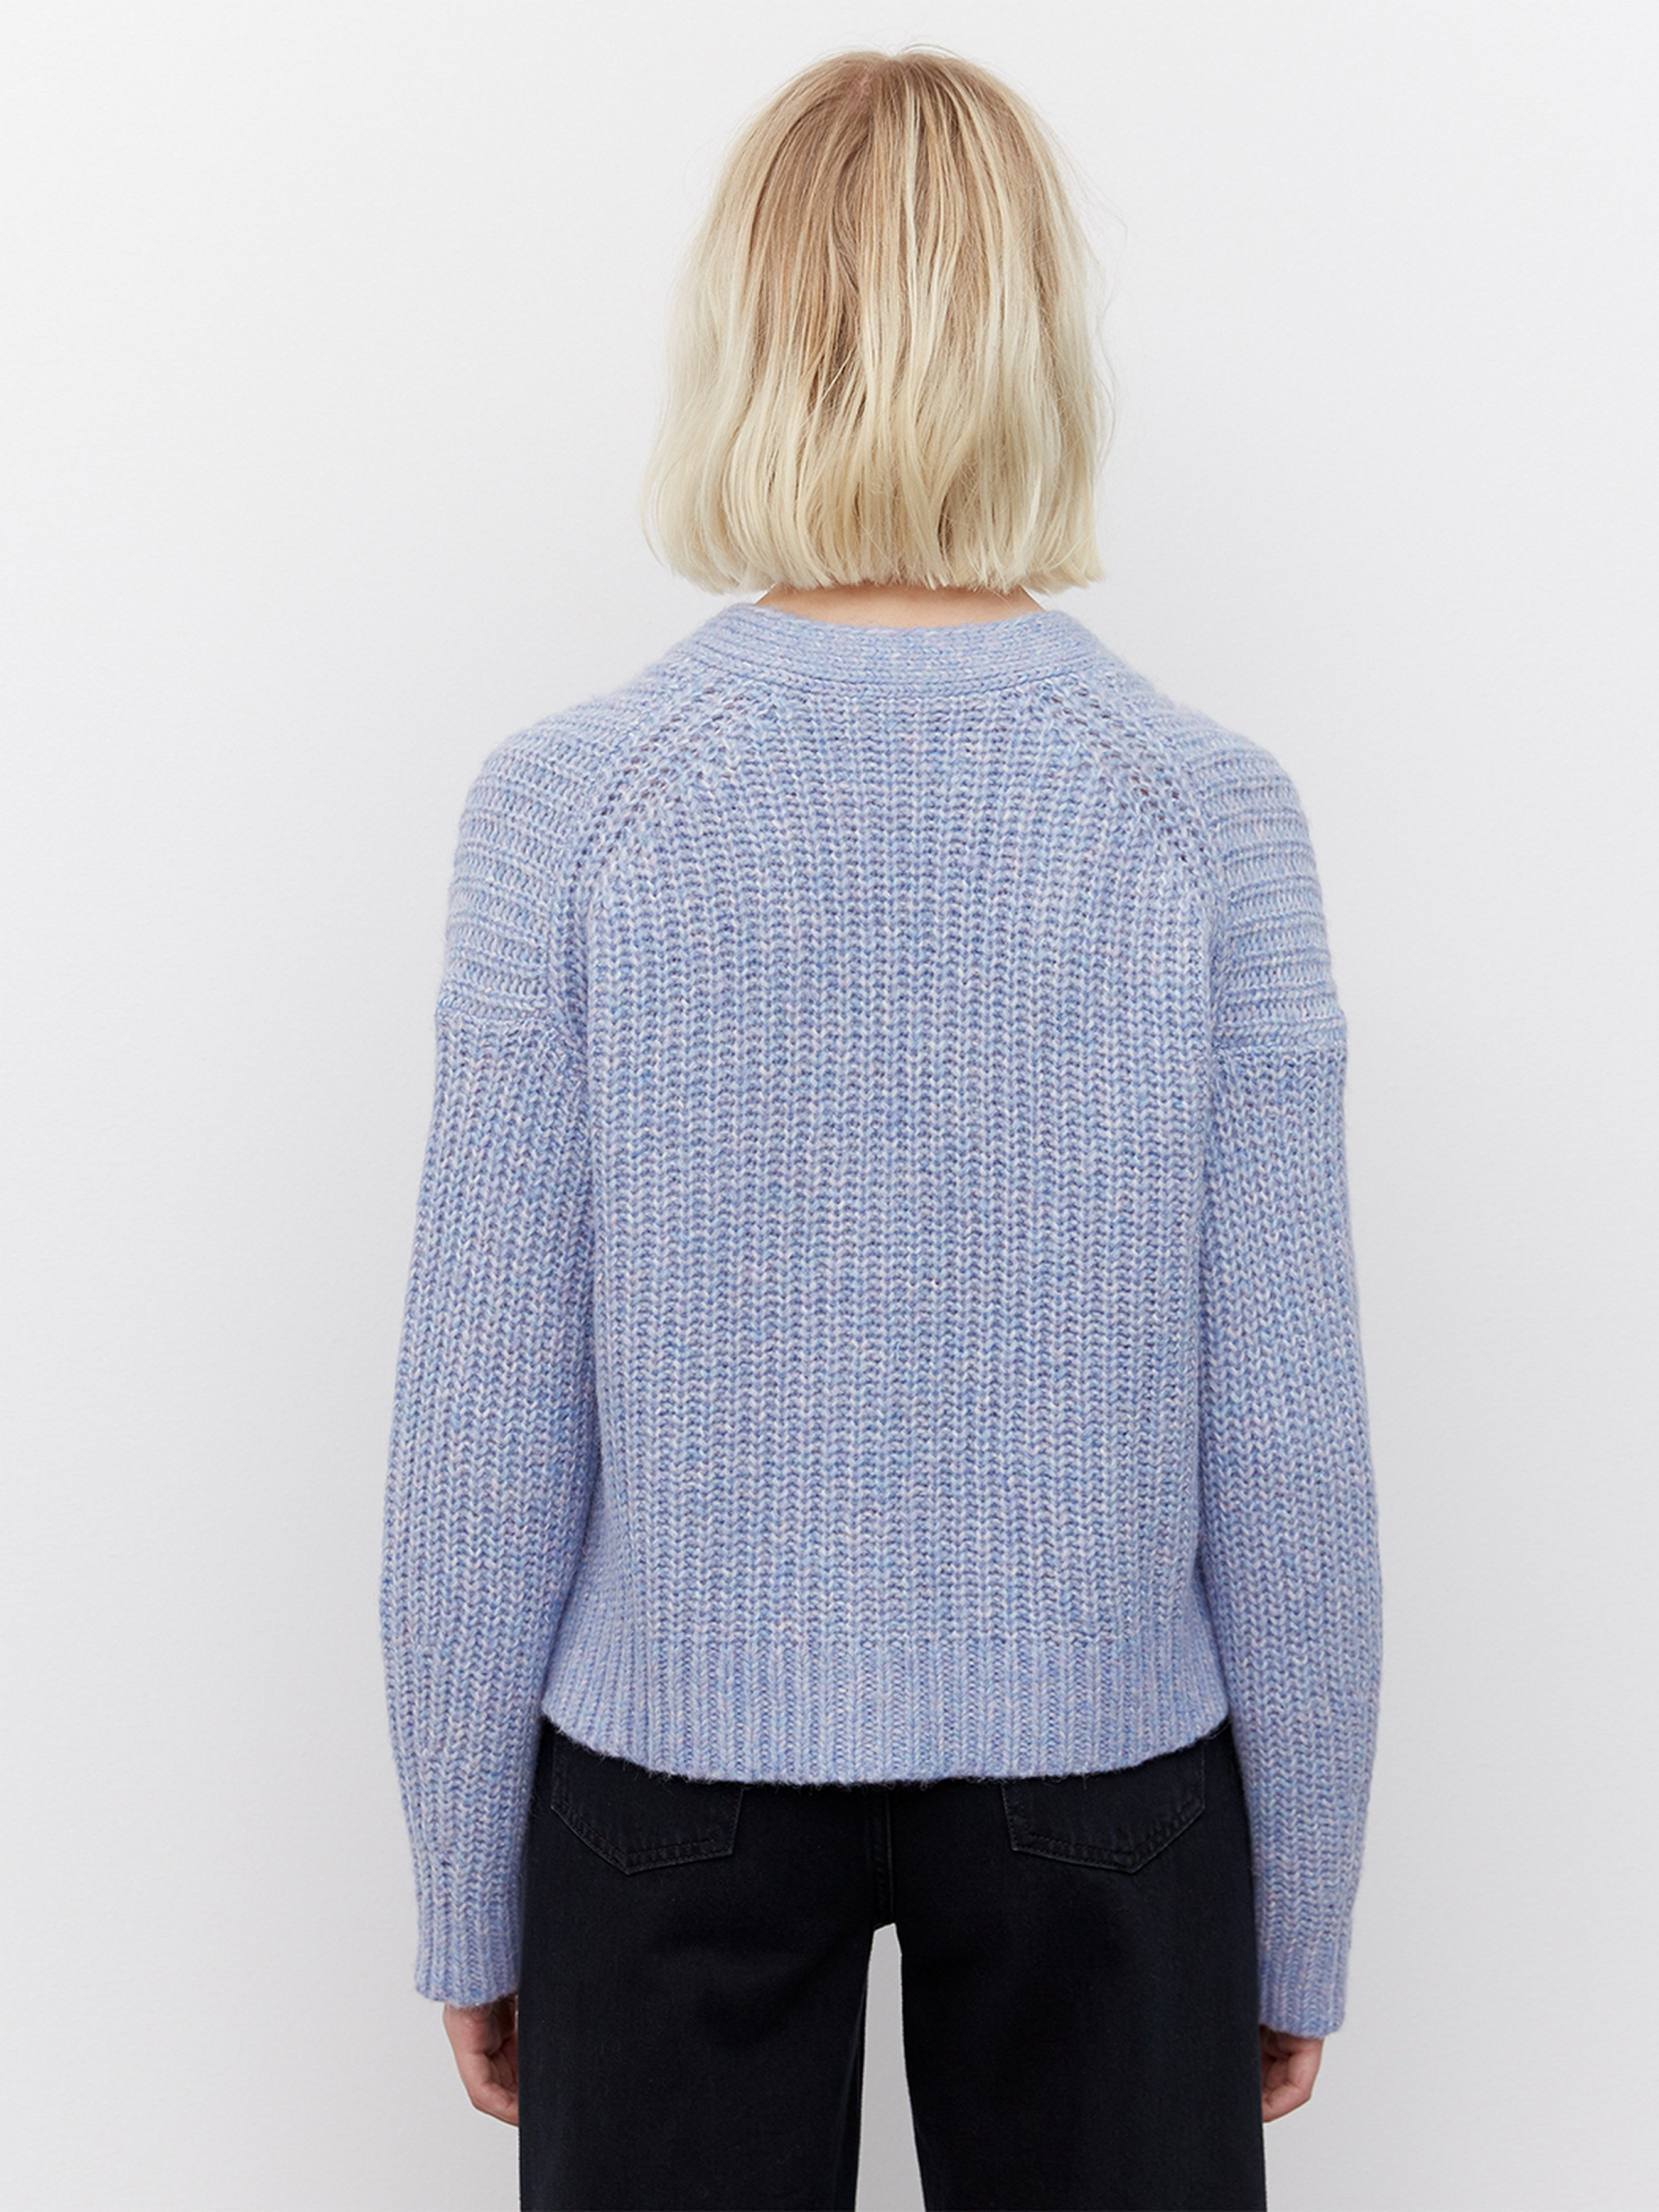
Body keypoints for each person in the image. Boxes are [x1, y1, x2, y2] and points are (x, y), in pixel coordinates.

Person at [379, 44, 1384, 2212]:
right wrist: (1297, 1908)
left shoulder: (572, 812)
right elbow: (1286, 1432)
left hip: (667, 1777)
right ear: (1038, 342)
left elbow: (482, 1418)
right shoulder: (1204, 819)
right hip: (1106, 1776)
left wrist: (468, 1894)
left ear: (741, 336)